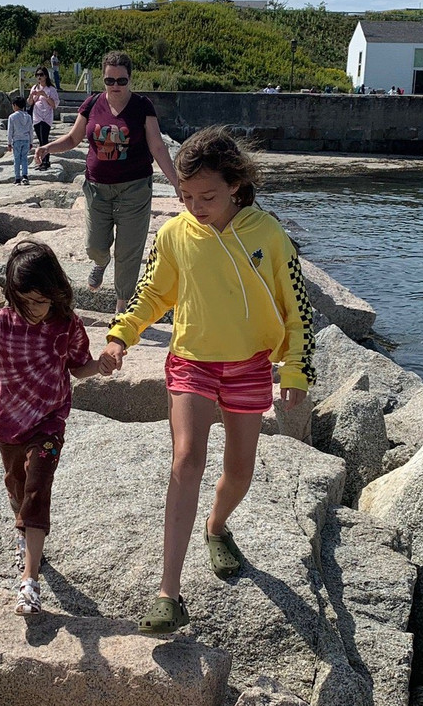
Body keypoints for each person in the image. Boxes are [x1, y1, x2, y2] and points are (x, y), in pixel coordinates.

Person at [99, 126, 315, 634]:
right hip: (192, 360)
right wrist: (120, 336)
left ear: (237, 186)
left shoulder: (270, 236)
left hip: (249, 365)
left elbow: (296, 310)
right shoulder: (174, 235)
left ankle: (217, 528)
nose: (196, 206)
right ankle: (168, 592)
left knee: (238, 471)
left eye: (208, 197)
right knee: (186, 458)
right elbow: (151, 294)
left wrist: (296, 367)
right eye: (186, 196)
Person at [0, 241, 107, 615]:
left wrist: (101, 367)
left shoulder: (68, 326)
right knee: (17, 486)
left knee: (37, 487)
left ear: (56, 292)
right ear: (12, 295)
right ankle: (23, 531)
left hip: (49, 421)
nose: (32, 310)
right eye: (24, 301)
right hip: (8, 425)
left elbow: (79, 367)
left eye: (40, 301)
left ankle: (30, 582)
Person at [35, 51, 179, 313]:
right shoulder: (91, 104)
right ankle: (100, 263)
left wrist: (178, 185)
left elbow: (158, 148)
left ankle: (122, 303)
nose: (115, 86)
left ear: (130, 79)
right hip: (97, 188)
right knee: (94, 245)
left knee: (128, 250)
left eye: (121, 81)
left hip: (134, 187)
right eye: (109, 80)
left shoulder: (142, 106)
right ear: (103, 80)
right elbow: (72, 139)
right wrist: (47, 148)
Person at [27, 68, 59, 169]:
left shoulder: (51, 89)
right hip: (37, 117)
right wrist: (32, 96)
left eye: (41, 75)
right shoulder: (34, 87)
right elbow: (30, 103)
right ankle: (42, 162)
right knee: (40, 140)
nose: (39, 77)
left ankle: (46, 162)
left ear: (46, 76)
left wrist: (44, 95)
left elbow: (54, 105)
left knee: (44, 139)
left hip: (46, 117)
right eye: (37, 75)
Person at [7, 96, 34, 185]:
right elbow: (31, 130)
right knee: (24, 159)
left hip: (17, 140)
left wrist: (9, 143)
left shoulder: (12, 117)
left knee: (17, 159)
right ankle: (25, 176)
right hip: (26, 140)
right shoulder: (28, 117)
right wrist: (31, 142)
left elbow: (10, 131)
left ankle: (17, 178)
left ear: (15, 105)